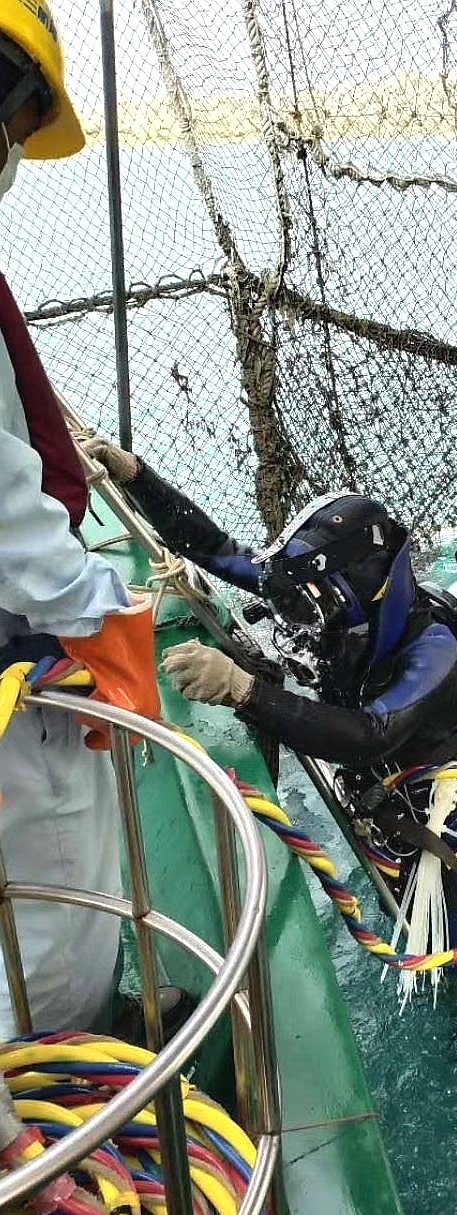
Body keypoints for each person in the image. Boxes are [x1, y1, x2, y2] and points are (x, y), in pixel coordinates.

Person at [84, 441, 457, 955]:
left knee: (449, 949)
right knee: (401, 916)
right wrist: (138, 477)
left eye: (311, 606)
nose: (303, 621)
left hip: (439, 817)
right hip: (374, 802)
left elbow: (370, 734)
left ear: (365, 591)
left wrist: (243, 690)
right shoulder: (324, 602)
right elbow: (215, 548)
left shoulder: (434, 647)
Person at [0, 0, 164, 1037]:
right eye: (19, 125)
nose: (15, 155)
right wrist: (103, 618)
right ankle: (66, 1083)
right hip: (22, 685)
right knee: (61, 917)